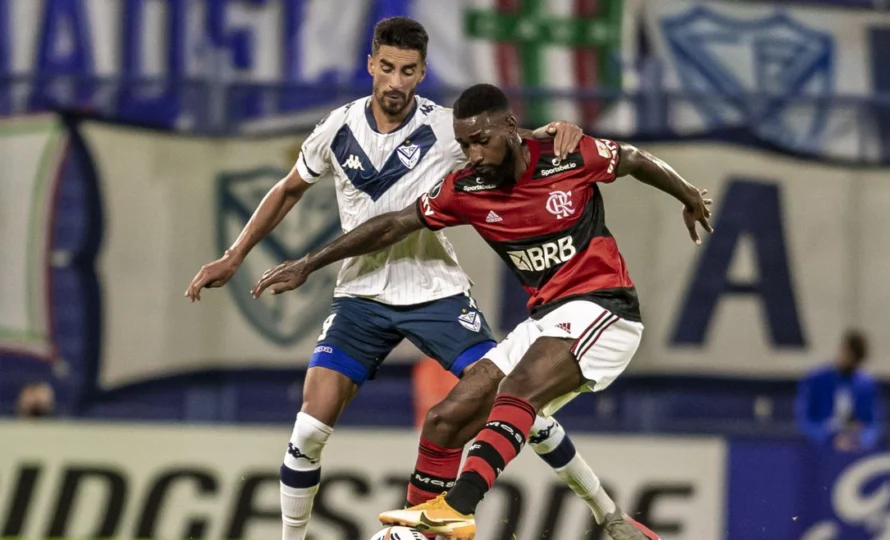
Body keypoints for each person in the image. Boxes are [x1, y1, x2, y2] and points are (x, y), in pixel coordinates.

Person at [187, 18, 646, 540]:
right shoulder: (337, 128)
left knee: (515, 398)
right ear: (370, 64)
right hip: (360, 295)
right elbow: (289, 188)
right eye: (387, 68)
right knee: (309, 429)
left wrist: (560, 130)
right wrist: (234, 255)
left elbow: (511, 139)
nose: (396, 81)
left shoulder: (448, 128)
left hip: (435, 292)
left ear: (422, 72)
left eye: (408, 71)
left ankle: (607, 513)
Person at [251, 83, 712, 539]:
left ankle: (458, 506)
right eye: (464, 145)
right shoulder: (466, 187)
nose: (473, 154)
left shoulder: (567, 155)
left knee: (517, 390)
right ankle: (418, 532)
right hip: (545, 318)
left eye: (481, 141)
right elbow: (392, 225)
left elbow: (632, 158)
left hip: (605, 309)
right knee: (446, 418)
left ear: (510, 127)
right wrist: (309, 263)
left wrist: (689, 194)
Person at [795, 329, 881, 452]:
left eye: (854, 358)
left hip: (853, 449)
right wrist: (830, 437)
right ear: (841, 349)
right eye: (847, 354)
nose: (848, 360)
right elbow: (805, 419)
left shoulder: (866, 385)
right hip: (819, 450)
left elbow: (872, 424)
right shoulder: (816, 379)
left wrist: (859, 439)